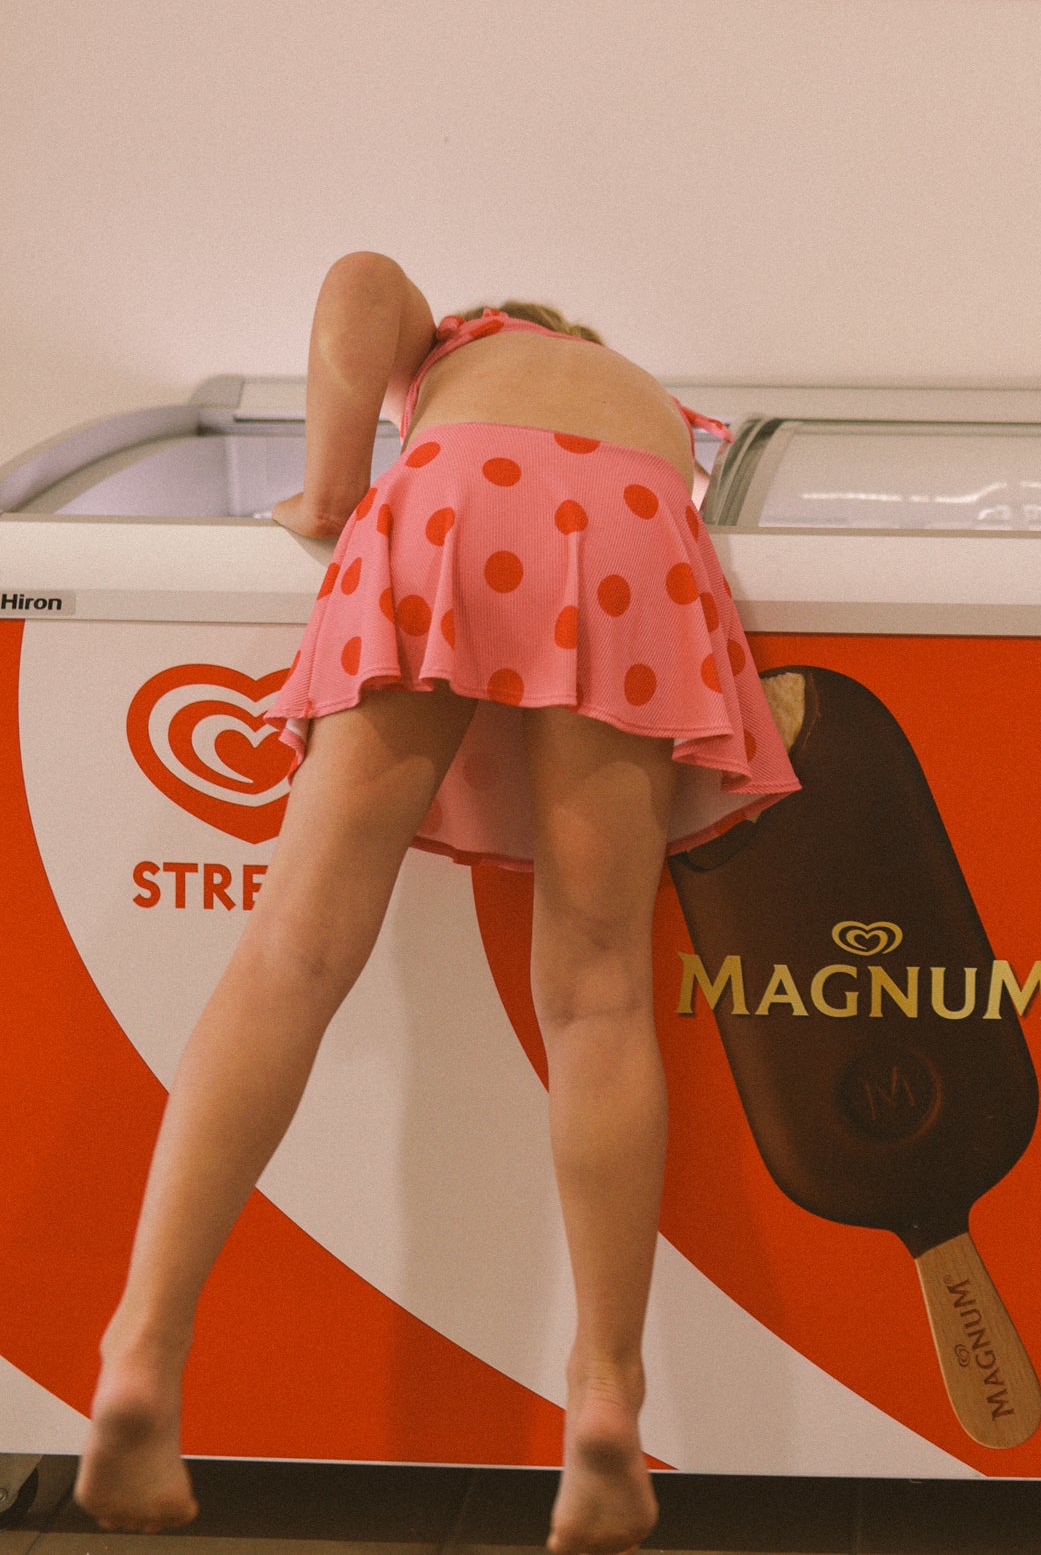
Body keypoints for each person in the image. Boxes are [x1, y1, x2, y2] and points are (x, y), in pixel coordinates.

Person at [77, 253, 798, 1550]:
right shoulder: (644, 402)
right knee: (596, 993)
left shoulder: (463, 348)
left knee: (292, 953)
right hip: (635, 532)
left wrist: (338, 484)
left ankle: (143, 1346)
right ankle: (604, 1400)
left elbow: (358, 280)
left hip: (459, 503)